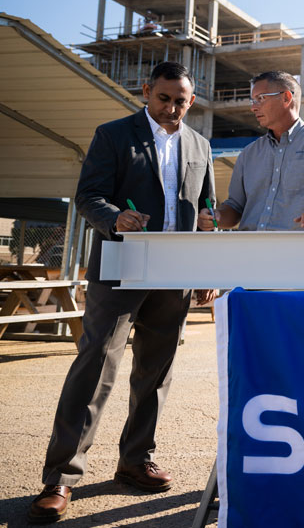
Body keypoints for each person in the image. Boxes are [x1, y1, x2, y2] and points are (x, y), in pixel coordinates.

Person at [28, 62, 216, 524]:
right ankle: (61, 477)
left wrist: (209, 262)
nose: (173, 107)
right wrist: (115, 216)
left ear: (191, 101)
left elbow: (206, 208)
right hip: (121, 265)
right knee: (96, 366)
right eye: (165, 98)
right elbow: (89, 195)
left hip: (176, 270)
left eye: (182, 100)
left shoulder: (201, 146)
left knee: (156, 370)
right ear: (147, 92)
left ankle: (135, 461)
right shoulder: (113, 135)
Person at [198, 71, 304, 232]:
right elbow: (235, 207)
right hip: (252, 251)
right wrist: (217, 217)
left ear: (286, 97)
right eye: (253, 100)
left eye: (260, 98)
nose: (253, 107)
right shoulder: (248, 154)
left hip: (303, 251)